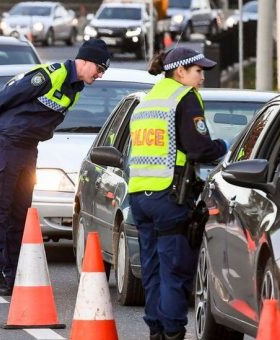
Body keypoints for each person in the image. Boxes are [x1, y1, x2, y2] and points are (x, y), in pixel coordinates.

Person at [0, 38, 110, 296]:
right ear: (84, 60)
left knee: (20, 213)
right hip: (7, 145)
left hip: (28, 148)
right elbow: (6, 97)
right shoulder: (51, 75)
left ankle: (13, 271)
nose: (100, 74)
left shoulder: (75, 88)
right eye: (99, 68)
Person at [128, 47, 228, 340]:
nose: (202, 78)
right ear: (180, 71)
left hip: (140, 196)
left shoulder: (148, 101)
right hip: (169, 196)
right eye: (199, 71)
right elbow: (199, 149)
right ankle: (172, 331)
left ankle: (156, 330)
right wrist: (222, 147)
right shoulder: (184, 99)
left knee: (152, 268)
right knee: (174, 269)